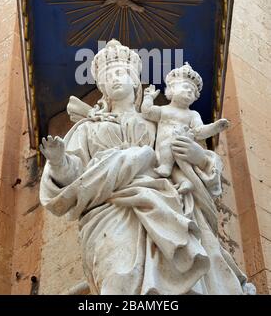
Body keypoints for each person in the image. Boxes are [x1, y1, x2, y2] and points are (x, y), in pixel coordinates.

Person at [39, 39, 255, 295]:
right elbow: (74, 177)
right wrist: (57, 160)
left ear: (135, 81)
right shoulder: (88, 127)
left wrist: (200, 156)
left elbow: (183, 155)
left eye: (121, 73)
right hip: (108, 210)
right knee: (117, 278)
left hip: (162, 201)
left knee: (177, 278)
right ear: (102, 87)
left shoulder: (154, 120)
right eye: (108, 77)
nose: (115, 79)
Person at [141, 64, 229, 195]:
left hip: (182, 147)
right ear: (172, 89)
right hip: (162, 148)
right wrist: (148, 97)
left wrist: (214, 127)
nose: (190, 92)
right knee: (171, 162)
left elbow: (200, 132)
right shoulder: (164, 110)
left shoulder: (193, 114)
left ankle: (181, 179)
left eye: (193, 92)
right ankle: (176, 176)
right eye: (186, 87)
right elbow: (147, 112)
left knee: (179, 165)